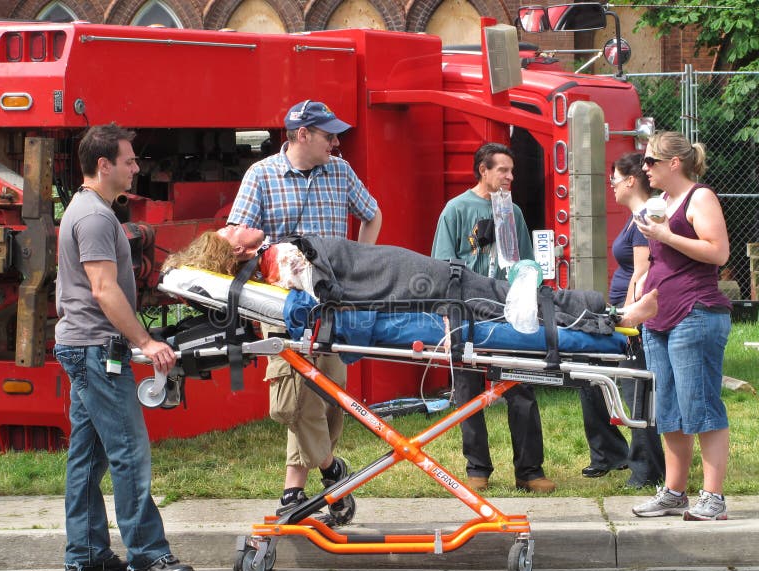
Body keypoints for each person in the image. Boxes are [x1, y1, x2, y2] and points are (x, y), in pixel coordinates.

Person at [226, 99, 382, 525]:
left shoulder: (341, 172)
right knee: (291, 401)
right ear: (302, 135)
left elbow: (372, 215)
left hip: (332, 303)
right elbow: (235, 236)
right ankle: (334, 473)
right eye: (328, 135)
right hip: (282, 306)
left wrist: (357, 265)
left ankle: (293, 492)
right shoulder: (261, 175)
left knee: (329, 397)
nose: (335, 142)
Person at [54, 124, 195, 571]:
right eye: (129, 161)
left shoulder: (86, 209)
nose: (136, 168)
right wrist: (146, 342)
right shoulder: (95, 217)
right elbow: (103, 289)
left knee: (88, 456)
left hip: (83, 346)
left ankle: (86, 554)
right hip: (96, 350)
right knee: (129, 452)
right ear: (104, 165)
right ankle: (148, 554)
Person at [162, 226, 658, 334]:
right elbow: (321, 293)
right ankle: (608, 316)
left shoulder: (277, 259)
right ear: (238, 251)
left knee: (503, 302)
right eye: (230, 231)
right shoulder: (281, 259)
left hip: (405, 275)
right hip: (409, 280)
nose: (237, 224)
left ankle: (608, 314)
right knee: (503, 307)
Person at [431, 142, 552, 494]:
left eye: (512, 171)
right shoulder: (456, 209)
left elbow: (527, 266)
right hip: (468, 310)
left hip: (507, 310)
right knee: (468, 390)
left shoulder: (513, 212)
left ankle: (529, 471)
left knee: (520, 386)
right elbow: (442, 266)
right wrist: (448, 314)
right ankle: (477, 468)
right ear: (483, 170)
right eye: (503, 170)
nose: (510, 176)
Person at [631, 131, 732, 521]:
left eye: (651, 161)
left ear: (674, 163)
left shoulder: (699, 198)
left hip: (695, 313)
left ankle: (714, 497)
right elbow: (659, 262)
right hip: (659, 318)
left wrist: (666, 235)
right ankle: (674, 492)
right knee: (670, 409)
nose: (644, 168)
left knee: (701, 406)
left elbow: (718, 252)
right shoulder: (662, 201)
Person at [579, 153, 665, 488]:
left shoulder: (644, 218)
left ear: (630, 180)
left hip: (631, 316)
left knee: (634, 389)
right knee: (590, 375)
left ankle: (646, 469)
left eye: (614, 178)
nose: (611, 185)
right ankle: (609, 453)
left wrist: (628, 317)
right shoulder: (634, 218)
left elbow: (642, 273)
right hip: (619, 310)